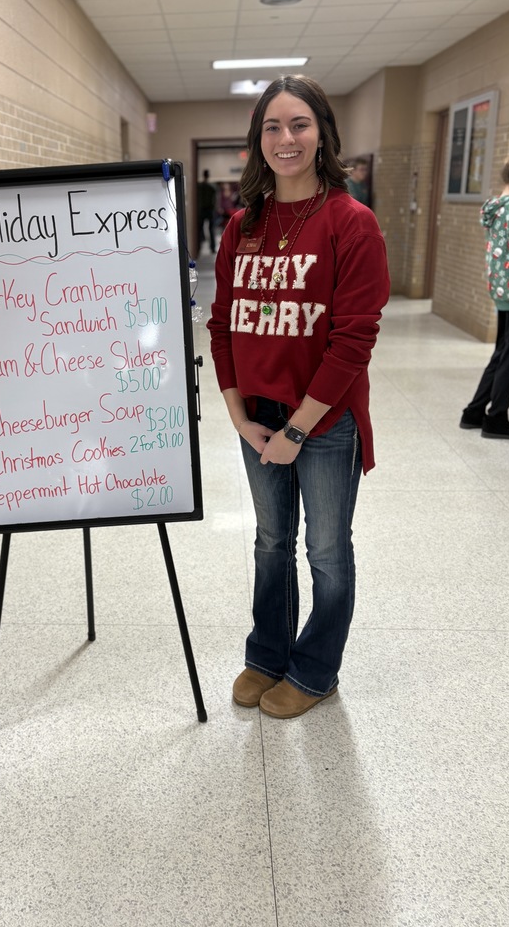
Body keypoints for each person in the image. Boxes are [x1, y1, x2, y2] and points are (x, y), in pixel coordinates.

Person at [207, 75, 390, 719]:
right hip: (257, 416)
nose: (286, 139)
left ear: (322, 134)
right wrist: (240, 417)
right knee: (270, 541)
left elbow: (351, 343)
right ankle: (268, 655)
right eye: (272, 128)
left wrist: (297, 431)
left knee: (327, 550)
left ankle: (316, 670)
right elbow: (222, 324)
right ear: (258, 142)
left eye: (299, 125)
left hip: (326, 420)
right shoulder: (242, 226)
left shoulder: (351, 223)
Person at [460, 141, 509, 439]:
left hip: (503, 291)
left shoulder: (496, 207)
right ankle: (496, 417)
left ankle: (474, 412)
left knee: (502, 352)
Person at [197, 169, 217, 253]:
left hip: (201, 209)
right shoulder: (212, 187)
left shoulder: (199, 186)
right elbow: (215, 200)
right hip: (210, 210)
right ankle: (212, 248)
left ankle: (198, 247)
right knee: (211, 229)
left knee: (200, 229)